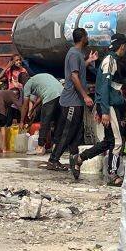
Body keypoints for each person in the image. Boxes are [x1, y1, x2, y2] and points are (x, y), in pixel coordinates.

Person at [70, 33, 126, 185]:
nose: (125, 50)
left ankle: (80, 158)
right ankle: (112, 174)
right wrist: (105, 111)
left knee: (108, 142)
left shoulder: (108, 60)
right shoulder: (110, 61)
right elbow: (104, 87)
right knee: (117, 143)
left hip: (107, 105)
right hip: (110, 106)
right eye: (124, 47)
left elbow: (101, 81)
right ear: (121, 46)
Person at [46, 28, 98, 171]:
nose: (88, 39)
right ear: (82, 38)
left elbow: (78, 70)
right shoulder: (74, 54)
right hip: (71, 101)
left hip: (76, 102)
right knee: (67, 132)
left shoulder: (78, 55)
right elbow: (74, 76)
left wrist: (89, 61)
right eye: (86, 36)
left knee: (76, 132)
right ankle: (53, 160)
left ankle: (73, 160)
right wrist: (85, 96)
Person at [20, 73, 63, 155]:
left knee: (45, 122)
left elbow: (25, 105)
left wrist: (22, 121)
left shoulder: (27, 84)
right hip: (61, 93)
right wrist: (33, 108)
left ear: (22, 82)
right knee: (57, 121)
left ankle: (40, 147)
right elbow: (42, 94)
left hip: (50, 95)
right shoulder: (38, 78)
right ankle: (55, 146)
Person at [0, 87, 21, 153]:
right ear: (16, 94)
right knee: (3, 127)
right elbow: (19, 106)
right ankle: (4, 148)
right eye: (18, 96)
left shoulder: (4, 93)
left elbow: (7, 108)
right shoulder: (12, 94)